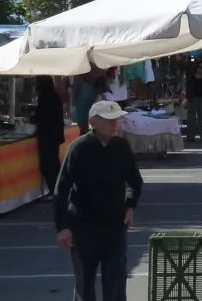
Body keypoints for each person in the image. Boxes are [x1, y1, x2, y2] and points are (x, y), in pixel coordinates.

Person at [54, 100, 143, 301]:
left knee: (116, 281)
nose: (115, 124)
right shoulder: (79, 147)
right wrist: (62, 227)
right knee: (84, 283)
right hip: (84, 226)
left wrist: (130, 205)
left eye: (117, 119)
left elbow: (135, 181)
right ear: (93, 123)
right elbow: (62, 188)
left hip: (115, 225)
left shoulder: (121, 146)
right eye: (109, 120)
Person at [32, 76, 66, 199]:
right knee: (54, 163)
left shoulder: (46, 98)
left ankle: (54, 190)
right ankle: (59, 189)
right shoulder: (54, 96)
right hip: (54, 135)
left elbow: (42, 116)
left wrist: (31, 118)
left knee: (47, 164)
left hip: (48, 135)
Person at [186, 60, 202, 143]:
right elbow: (188, 88)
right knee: (191, 118)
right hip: (193, 99)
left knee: (201, 118)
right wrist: (188, 98)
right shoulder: (192, 77)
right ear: (196, 68)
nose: (200, 69)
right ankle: (190, 136)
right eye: (199, 67)